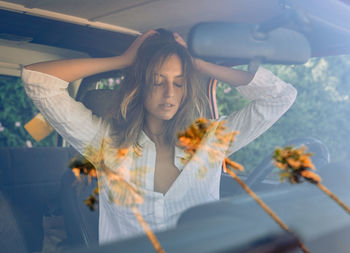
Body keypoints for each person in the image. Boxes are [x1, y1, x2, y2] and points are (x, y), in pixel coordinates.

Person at [21, 29, 297, 244]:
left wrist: (199, 64)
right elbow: (39, 81)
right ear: (140, 85)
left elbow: (279, 96)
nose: (169, 93)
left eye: (179, 82)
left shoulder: (210, 141)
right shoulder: (106, 142)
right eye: (157, 81)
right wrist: (123, 61)